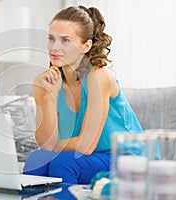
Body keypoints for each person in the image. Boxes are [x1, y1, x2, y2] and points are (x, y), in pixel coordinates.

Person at [23, 5, 143, 184]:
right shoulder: (45, 82)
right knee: (37, 159)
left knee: (63, 163)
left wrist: (53, 147)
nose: (54, 47)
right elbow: (45, 145)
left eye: (65, 40)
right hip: (89, 159)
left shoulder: (99, 77)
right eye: (51, 38)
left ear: (86, 46)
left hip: (129, 159)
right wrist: (50, 96)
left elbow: (85, 146)